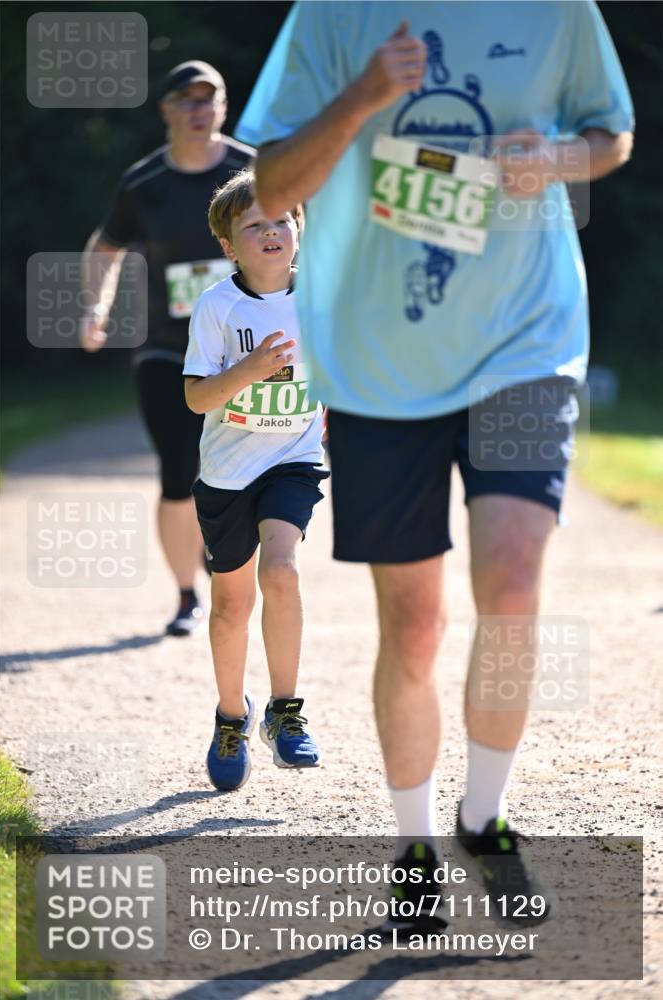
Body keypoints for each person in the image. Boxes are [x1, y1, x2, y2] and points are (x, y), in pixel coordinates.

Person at [236, 1, 634, 929]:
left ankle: (484, 818)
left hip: (526, 343)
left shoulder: (556, 10)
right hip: (379, 362)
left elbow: (609, 133)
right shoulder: (333, 16)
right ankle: (413, 853)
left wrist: (559, 159)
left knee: (513, 584)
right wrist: (363, 96)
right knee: (412, 624)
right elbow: (272, 183)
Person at [80, 61, 253, 636]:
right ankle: (186, 596)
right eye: (187, 99)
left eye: (210, 98)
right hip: (167, 350)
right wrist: (96, 308)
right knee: (178, 471)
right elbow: (105, 248)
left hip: (246, 349)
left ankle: (238, 574)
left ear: (223, 106)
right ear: (167, 109)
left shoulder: (252, 170)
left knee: (250, 469)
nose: (200, 110)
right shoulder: (143, 182)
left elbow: (297, 234)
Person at [183, 168, 328, 791]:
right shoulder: (218, 306)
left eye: (282, 221)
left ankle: (285, 713)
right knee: (230, 606)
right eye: (254, 225)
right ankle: (230, 717)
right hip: (227, 472)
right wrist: (249, 369)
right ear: (229, 246)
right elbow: (196, 398)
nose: (272, 231)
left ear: (299, 229)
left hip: (293, 459)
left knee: (282, 571)